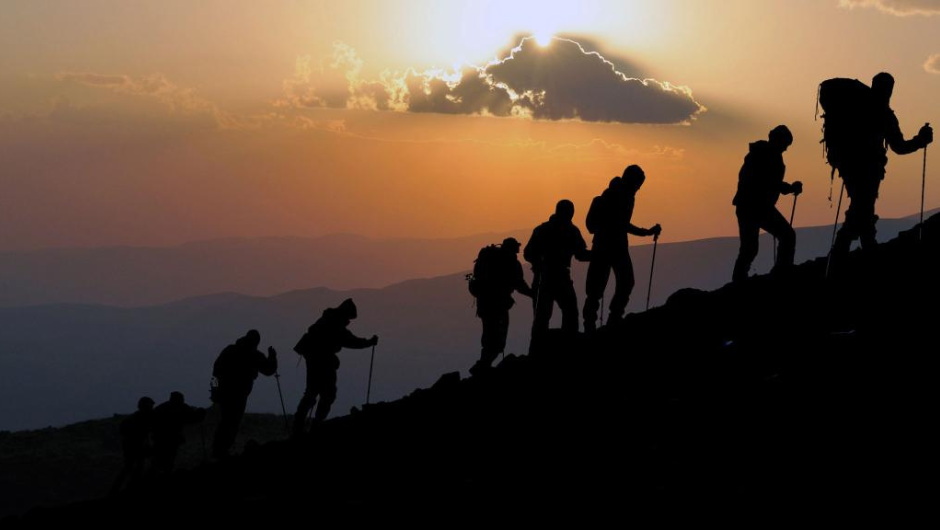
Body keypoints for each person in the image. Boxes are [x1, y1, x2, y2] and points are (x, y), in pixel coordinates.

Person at [832, 72, 932, 255]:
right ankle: (844, 250)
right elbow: (899, 147)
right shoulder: (884, 114)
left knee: (862, 208)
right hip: (869, 170)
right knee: (861, 208)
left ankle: (859, 246)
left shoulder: (857, 108)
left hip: (850, 168)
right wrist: (921, 140)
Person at [583, 166, 662, 331]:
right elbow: (622, 224)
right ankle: (612, 318)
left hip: (603, 246)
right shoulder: (621, 197)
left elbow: (615, 224)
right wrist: (646, 232)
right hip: (614, 247)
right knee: (622, 283)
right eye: (638, 184)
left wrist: (645, 232)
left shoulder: (615, 196)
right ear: (631, 181)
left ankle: (591, 324)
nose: (638, 188)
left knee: (596, 288)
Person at [292, 299, 378, 437]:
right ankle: (316, 426)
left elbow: (347, 338)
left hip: (314, 360)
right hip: (323, 361)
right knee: (327, 393)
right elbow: (350, 340)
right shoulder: (335, 324)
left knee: (312, 392)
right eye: (349, 317)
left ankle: (299, 426)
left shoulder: (328, 319)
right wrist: (369, 343)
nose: (349, 320)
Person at [732, 126, 802, 282]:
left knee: (750, 248)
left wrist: (787, 187)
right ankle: (782, 272)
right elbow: (766, 181)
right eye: (785, 145)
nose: (785, 149)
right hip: (755, 207)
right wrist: (788, 187)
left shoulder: (760, 154)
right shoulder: (765, 156)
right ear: (777, 140)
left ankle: (739, 280)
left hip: (750, 206)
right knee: (785, 236)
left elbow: (768, 181)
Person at [524, 200, 591, 347]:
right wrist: (598, 255)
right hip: (559, 277)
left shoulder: (542, 229)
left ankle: (537, 350)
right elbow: (581, 254)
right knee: (570, 313)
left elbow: (528, 254)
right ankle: (568, 345)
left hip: (544, 278)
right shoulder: (572, 231)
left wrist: (539, 263)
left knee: (542, 317)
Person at [468, 237, 533, 375]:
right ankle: (482, 366)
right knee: (498, 340)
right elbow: (520, 285)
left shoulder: (489, 257)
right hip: (499, 306)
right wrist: (533, 294)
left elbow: (475, 278)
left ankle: (482, 365)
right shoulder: (512, 263)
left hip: (484, 304)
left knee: (488, 335)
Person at [210, 329, 277, 459]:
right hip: (239, 395)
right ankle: (222, 451)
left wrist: (215, 391)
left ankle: (218, 450)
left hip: (224, 393)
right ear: (256, 342)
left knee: (226, 421)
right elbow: (269, 370)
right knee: (232, 422)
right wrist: (272, 357)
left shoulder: (229, 350)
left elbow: (215, 372)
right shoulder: (255, 355)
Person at [151, 391, 205, 474]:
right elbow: (192, 417)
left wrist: (199, 414)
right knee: (166, 458)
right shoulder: (180, 407)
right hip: (167, 438)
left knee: (162, 459)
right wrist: (200, 414)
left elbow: (192, 417)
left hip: (163, 438)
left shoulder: (163, 407)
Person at [111, 396, 154, 494]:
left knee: (131, 468)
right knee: (132, 468)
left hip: (134, 447)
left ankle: (125, 489)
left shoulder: (137, 418)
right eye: (149, 407)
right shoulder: (139, 419)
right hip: (134, 447)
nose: (151, 409)